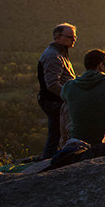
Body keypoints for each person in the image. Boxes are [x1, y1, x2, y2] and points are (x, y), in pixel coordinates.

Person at [61, 49, 105, 147]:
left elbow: (62, 96)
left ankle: (64, 143)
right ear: (101, 66)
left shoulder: (69, 85)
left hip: (79, 139)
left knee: (65, 105)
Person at [37, 23, 77, 158]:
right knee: (56, 135)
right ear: (58, 37)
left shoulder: (59, 53)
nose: (74, 39)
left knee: (56, 135)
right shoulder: (53, 56)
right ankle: (48, 163)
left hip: (56, 101)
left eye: (75, 36)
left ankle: (49, 160)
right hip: (55, 102)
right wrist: (69, 96)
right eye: (70, 37)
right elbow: (52, 84)